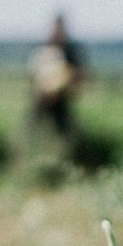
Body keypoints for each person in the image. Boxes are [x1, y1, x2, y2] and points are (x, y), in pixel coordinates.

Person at [28, 13, 87, 155]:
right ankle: (31, 152)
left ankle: (66, 155)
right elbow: (36, 72)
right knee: (33, 127)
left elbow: (80, 75)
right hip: (43, 98)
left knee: (64, 130)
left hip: (62, 99)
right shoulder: (44, 48)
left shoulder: (70, 51)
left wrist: (66, 80)